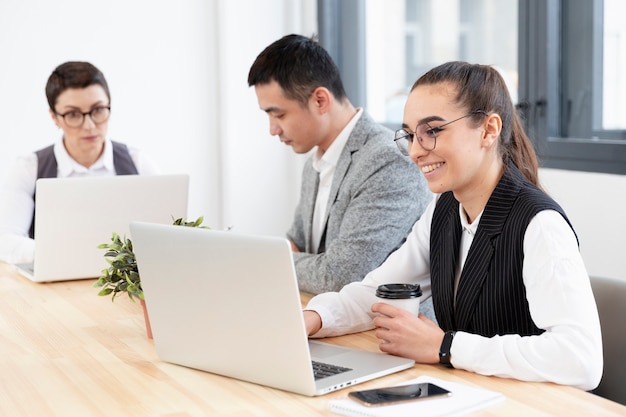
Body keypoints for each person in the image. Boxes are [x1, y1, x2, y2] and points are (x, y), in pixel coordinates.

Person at [303, 61, 603, 391]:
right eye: (410, 135)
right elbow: (377, 291)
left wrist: (445, 346)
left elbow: (581, 360)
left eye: (432, 131)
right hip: (473, 394)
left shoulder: (540, 224)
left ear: (489, 130)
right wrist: (313, 319)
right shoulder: (444, 209)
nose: (416, 151)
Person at [248, 34, 432, 294]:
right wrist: (290, 257)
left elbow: (341, 276)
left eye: (279, 114)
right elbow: (295, 244)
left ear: (320, 100)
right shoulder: (315, 162)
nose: (273, 129)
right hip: (325, 317)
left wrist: (268, 259)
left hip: (378, 329)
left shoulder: (387, 161)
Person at [0, 61, 159, 264]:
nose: (89, 125)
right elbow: (5, 241)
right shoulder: (30, 168)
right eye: (73, 114)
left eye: (98, 110)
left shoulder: (137, 161)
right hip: (53, 287)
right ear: (54, 117)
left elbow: (165, 233)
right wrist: (66, 255)